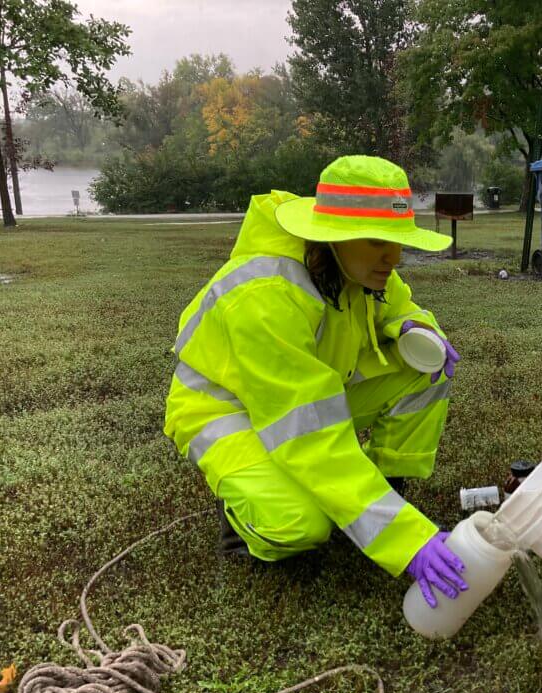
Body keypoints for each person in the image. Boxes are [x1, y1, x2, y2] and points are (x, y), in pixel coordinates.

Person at [164, 155, 469, 609]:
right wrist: (407, 542)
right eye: (377, 241)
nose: (394, 257)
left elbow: (398, 305)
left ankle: (382, 495)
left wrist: (411, 326)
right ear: (332, 238)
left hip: (309, 395)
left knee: (426, 368)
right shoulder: (266, 296)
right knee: (300, 526)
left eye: (397, 240)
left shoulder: (355, 263)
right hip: (226, 410)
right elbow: (310, 433)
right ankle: (241, 520)